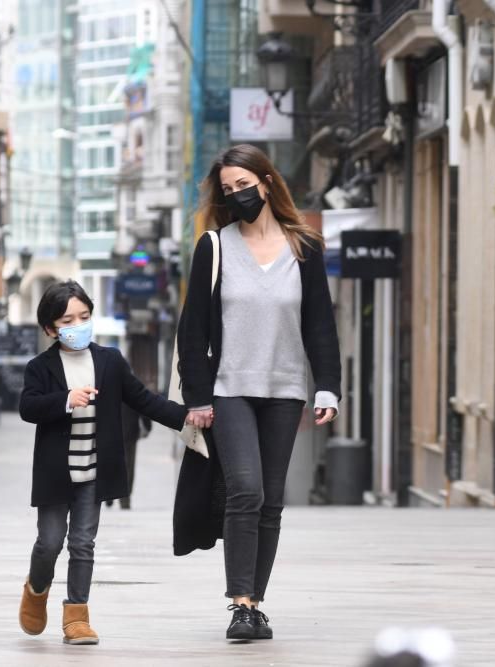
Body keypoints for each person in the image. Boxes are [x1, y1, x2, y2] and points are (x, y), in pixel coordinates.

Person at [176, 144, 342, 641]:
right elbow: (193, 330)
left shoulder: (304, 247)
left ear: (266, 183)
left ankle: (257, 601)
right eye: (229, 190)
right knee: (245, 490)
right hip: (230, 390)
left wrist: (327, 386)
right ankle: (240, 604)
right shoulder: (216, 247)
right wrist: (198, 398)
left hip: (285, 389)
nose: (238, 195)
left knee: (271, 499)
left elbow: (320, 325)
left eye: (244, 185)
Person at [17, 280, 192, 645]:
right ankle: (36, 590)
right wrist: (66, 399)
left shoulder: (109, 361)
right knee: (50, 542)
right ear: (50, 328)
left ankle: (76, 616)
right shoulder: (40, 367)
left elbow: (143, 399)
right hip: (56, 472)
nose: (78, 325)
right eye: (67, 320)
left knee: (83, 543)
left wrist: (186, 416)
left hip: (95, 469)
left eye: (84, 316)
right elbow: (28, 408)